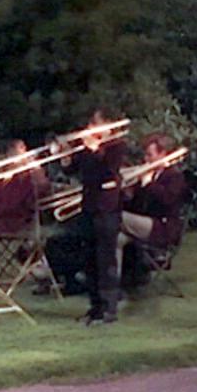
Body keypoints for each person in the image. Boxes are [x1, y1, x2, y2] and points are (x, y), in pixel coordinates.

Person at [67, 109, 127, 327]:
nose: (91, 129)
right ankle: (94, 307)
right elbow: (74, 170)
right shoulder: (87, 147)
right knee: (89, 258)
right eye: (91, 124)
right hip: (89, 205)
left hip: (108, 207)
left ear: (108, 126)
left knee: (106, 259)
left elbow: (107, 170)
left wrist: (94, 149)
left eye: (95, 124)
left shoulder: (116, 146)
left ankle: (109, 308)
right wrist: (67, 156)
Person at [117, 133, 188, 280]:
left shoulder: (175, 176)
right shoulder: (150, 175)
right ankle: (112, 284)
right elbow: (137, 206)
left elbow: (167, 200)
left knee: (114, 216)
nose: (146, 159)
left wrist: (149, 184)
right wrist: (127, 192)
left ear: (163, 154)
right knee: (115, 238)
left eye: (150, 155)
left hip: (164, 228)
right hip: (148, 224)